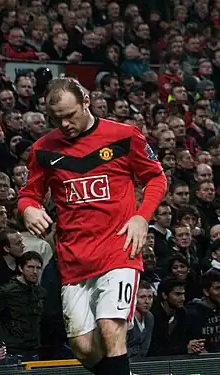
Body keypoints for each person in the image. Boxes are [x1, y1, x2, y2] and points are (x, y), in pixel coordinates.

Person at [18, 78, 167, 375]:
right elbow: (28, 194)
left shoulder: (124, 136)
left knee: (110, 327)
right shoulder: (42, 149)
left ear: (86, 101)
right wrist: (29, 210)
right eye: (56, 119)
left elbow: (156, 178)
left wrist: (141, 217)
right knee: (83, 347)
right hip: (74, 259)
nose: (65, 124)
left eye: (70, 115)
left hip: (119, 247)